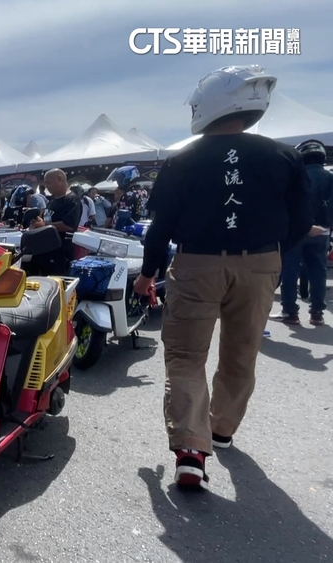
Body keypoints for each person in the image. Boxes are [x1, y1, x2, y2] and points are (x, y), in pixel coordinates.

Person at [132, 65, 312, 491]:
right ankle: (221, 430)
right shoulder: (284, 155)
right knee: (242, 351)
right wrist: (270, 254)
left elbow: (159, 226)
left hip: (196, 264)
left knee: (185, 356)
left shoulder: (182, 159)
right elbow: (303, 220)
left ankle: (190, 449)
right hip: (261, 264)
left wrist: (147, 275)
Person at [271, 139, 333, 326]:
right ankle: (317, 314)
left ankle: (290, 312)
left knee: (290, 270)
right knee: (318, 271)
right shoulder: (330, 177)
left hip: (297, 230)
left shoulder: (297, 174)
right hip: (323, 231)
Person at [36, 169, 82, 263]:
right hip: (47, 250)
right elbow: (47, 218)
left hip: (61, 252)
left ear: (60, 179)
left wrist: (43, 225)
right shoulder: (52, 200)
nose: (46, 186)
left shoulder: (72, 200)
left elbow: (68, 225)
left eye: (48, 182)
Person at [109, 166, 149, 230]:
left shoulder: (128, 195)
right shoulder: (144, 192)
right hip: (140, 228)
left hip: (127, 231)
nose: (117, 182)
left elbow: (122, 217)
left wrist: (117, 230)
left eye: (119, 179)